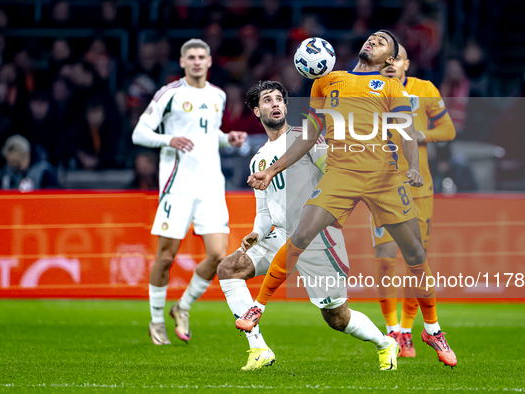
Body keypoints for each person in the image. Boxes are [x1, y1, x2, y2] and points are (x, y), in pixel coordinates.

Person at [238, 30, 457, 367]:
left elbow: (405, 131)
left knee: (414, 254)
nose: (373, 40)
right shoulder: (327, 80)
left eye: (383, 41)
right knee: (300, 235)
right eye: (372, 37)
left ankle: (432, 328)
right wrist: (271, 170)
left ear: (390, 60)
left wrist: (412, 167)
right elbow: (310, 134)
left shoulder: (391, 87)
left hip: (385, 178)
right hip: (341, 174)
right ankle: (258, 307)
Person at [217, 80, 398, 371]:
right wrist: (257, 232)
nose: (275, 104)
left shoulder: (306, 139)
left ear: (286, 107)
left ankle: (386, 343)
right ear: (255, 110)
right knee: (229, 268)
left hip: (317, 238)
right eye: (267, 100)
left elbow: (335, 173)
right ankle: (258, 348)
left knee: (337, 318)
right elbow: (264, 210)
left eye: (279, 99)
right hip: (279, 237)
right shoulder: (258, 160)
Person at [132, 38, 247, 345]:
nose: (197, 61)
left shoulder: (218, 96)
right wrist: (168, 140)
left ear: (209, 62)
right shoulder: (169, 93)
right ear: (183, 62)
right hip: (178, 185)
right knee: (166, 257)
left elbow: (208, 134)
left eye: (201, 57)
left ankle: (182, 307)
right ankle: (156, 321)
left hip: (211, 185)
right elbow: (139, 132)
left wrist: (228, 139)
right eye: (191, 57)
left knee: (218, 255)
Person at [372, 44, 456, 357]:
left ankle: (407, 331)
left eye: (397, 58)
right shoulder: (371, 91)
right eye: (386, 59)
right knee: (384, 259)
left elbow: (448, 129)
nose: (391, 63)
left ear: (407, 63)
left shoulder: (424, 89)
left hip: (419, 188)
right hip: (382, 186)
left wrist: (422, 135)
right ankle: (391, 328)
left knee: (415, 261)